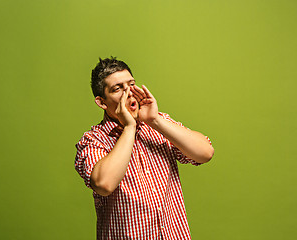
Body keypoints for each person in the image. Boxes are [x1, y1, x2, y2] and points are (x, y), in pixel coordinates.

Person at [75, 57, 214, 240]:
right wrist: (129, 127)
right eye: (117, 89)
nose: (129, 93)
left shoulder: (157, 123)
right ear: (102, 102)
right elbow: (103, 184)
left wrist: (155, 120)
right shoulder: (94, 140)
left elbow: (205, 153)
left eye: (131, 84)